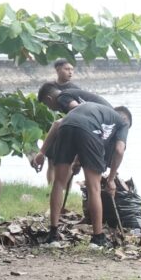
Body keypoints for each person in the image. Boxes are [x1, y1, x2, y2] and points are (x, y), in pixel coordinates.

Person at [45, 103, 132, 248]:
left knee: (59, 183)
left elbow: (63, 124)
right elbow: (119, 150)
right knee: (94, 188)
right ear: (127, 121)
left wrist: (43, 153)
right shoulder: (122, 123)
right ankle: (97, 238)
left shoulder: (99, 113)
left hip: (66, 126)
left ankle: (52, 236)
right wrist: (111, 180)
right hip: (86, 130)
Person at [33, 83, 112, 182]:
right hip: (106, 127)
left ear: (49, 99)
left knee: (94, 179)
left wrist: (42, 152)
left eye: (47, 105)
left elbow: (78, 112)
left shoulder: (62, 97)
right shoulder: (72, 94)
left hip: (104, 124)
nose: (49, 108)